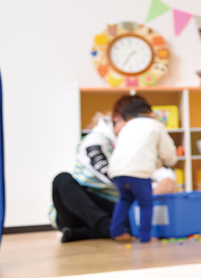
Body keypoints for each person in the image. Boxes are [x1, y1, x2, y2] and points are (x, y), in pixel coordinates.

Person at [52, 95, 175, 242]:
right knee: (62, 180)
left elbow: (149, 163)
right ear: (117, 118)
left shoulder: (138, 142)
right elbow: (117, 172)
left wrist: (166, 177)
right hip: (82, 206)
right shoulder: (96, 140)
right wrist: (147, 184)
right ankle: (107, 228)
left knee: (128, 209)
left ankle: (84, 233)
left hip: (112, 206)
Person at [108, 96, 178, 241]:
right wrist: (171, 161)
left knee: (124, 199)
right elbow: (168, 151)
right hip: (139, 173)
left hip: (117, 172)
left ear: (127, 118)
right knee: (146, 203)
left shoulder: (125, 128)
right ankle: (145, 236)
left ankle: (117, 231)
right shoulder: (155, 125)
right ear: (151, 114)